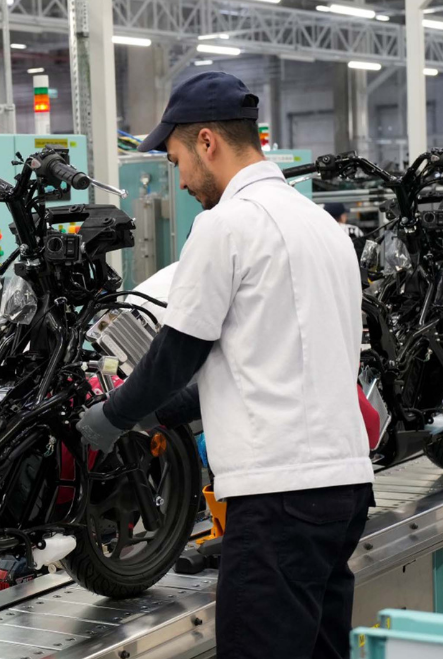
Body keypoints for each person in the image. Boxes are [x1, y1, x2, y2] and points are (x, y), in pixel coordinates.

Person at [78, 72, 374, 659]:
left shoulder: (225, 225)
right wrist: (160, 415)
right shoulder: (323, 226)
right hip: (343, 487)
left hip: (279, 496)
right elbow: (265, 363)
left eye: (177, 160)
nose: (182, 180)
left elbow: (177, 352)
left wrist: (112, 416)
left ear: (207, 142)